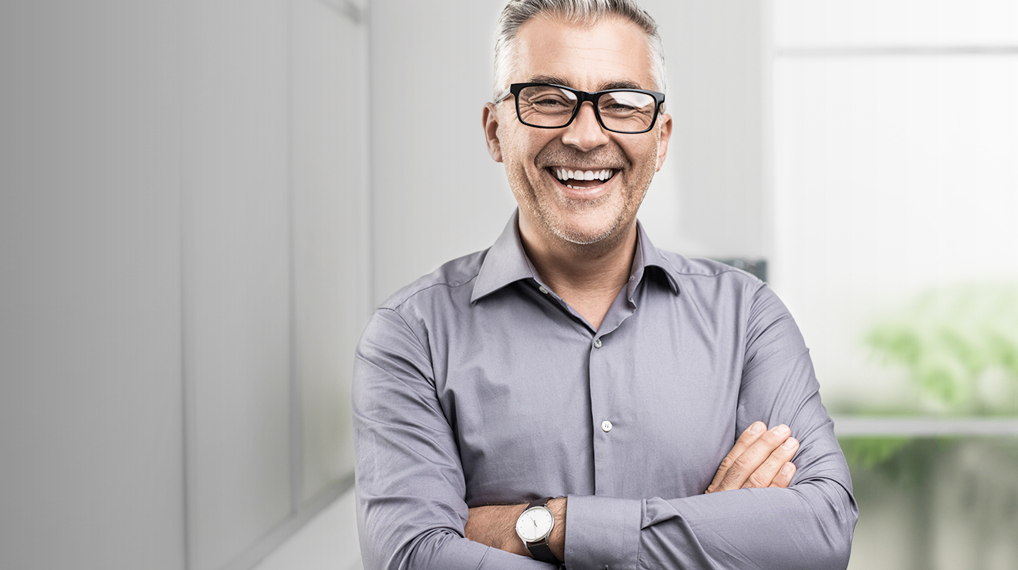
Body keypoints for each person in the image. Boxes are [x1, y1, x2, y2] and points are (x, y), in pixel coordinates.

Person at [350, 1, 858, 569]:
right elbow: (413, 558)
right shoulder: (410, 337)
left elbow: (822, 533)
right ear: (496, 132)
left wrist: (549, 526)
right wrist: (710, 538)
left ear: (661, 139)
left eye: (622, 103)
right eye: (547, 100)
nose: (587, 135)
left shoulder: (748, 319)